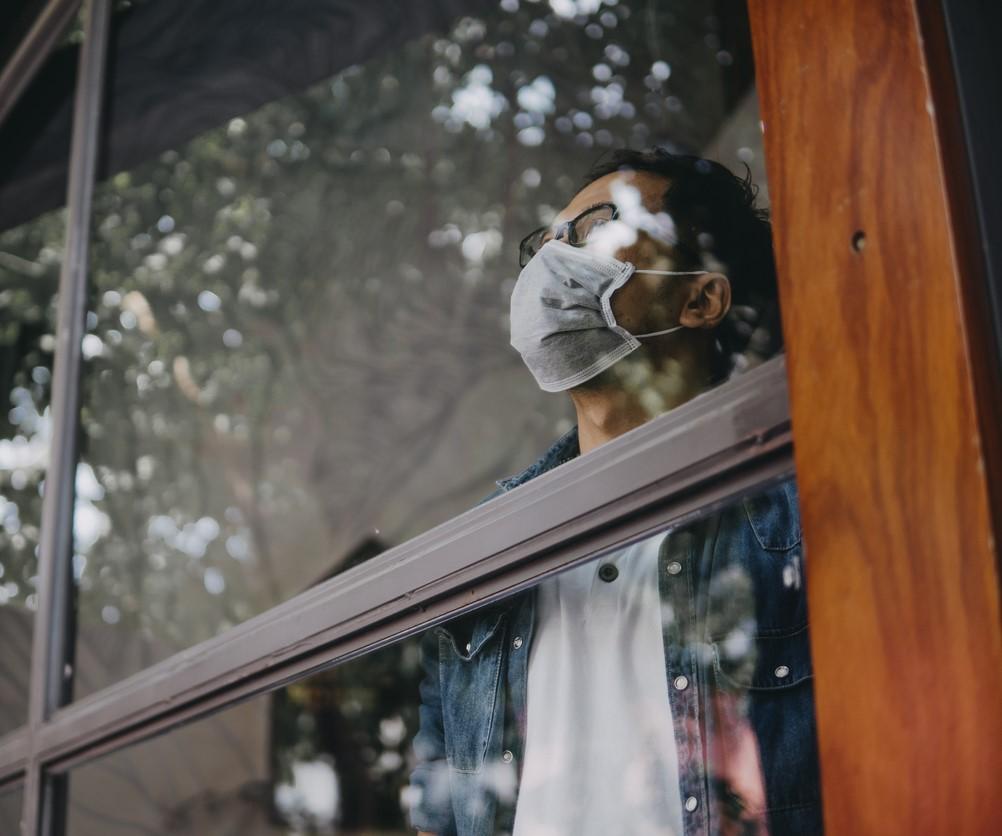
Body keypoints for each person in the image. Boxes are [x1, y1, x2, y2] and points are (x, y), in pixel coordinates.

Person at [408, 149, 822, 836]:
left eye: (595, 229)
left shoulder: (799, 513)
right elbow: (440, 814)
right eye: (544, 244)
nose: (551, 261)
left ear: (701, 298)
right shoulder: (480, 563)